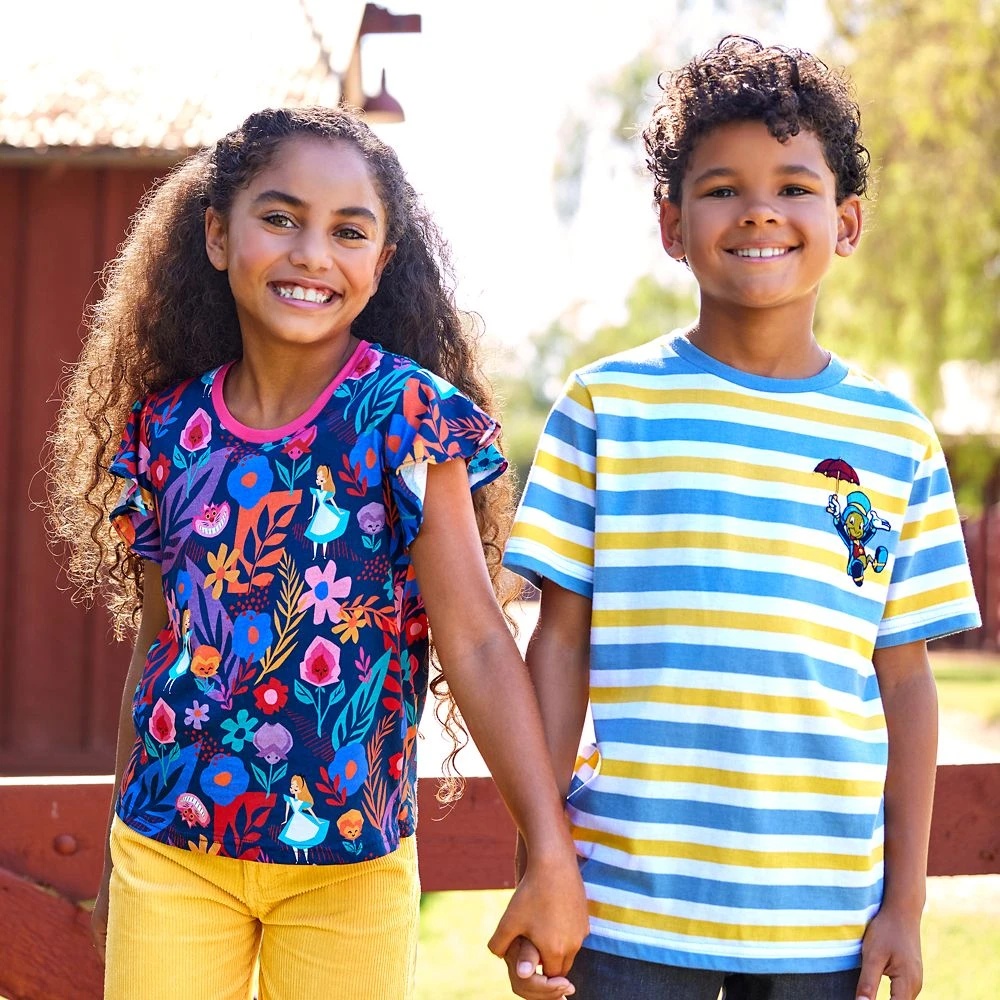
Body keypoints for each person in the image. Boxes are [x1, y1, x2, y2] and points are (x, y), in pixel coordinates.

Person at [47, 105, 587, 1000]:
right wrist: (115, 848)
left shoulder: (407, 418)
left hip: (351, 868)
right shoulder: (166, 430)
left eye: (348, 231)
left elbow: (479, 640)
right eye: (280, 217)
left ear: (382, 261)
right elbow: (157, 645)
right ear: (218, 235)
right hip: (168, 852)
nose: (311, 254)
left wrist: (550, 853)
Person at [501, 35, 980, 1000]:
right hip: (624, 908)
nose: (760, 209)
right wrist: (540, 869)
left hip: (825, 921)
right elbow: (558, 649)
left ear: (846, 222)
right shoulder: (605, 408)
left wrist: (905, 903)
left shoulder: (896, 440)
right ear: (672, 226)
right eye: (723, 188)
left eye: (794, 187)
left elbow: (907, 683)